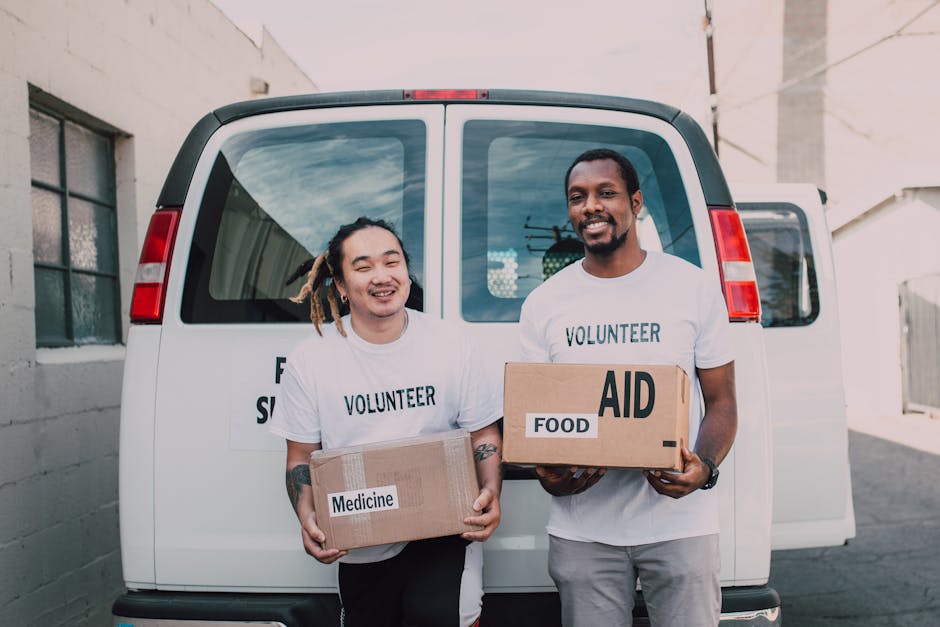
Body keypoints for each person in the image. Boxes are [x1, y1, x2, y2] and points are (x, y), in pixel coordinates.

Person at [519, 149, 737, 626]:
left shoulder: (691, 288)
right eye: (578, 197)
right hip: (583, 530)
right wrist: (548, 474)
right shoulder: (544, 304)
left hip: (680, 526)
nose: (590, 206)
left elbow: (722, 402)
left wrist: (705, 469)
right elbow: (536, 417)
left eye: (606, 193)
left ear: (635, 203)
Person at [269, 217, 502, 627]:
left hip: (444, 532)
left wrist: (491, 492)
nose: (382, 276)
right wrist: (306, 514)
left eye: (392, 262)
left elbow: (483, 432)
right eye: (363, 267)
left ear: (407, 274)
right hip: (360, 537)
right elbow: (300, 456)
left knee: (442, 618)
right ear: (340, 286)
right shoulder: (312, 359)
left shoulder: (451, 344)